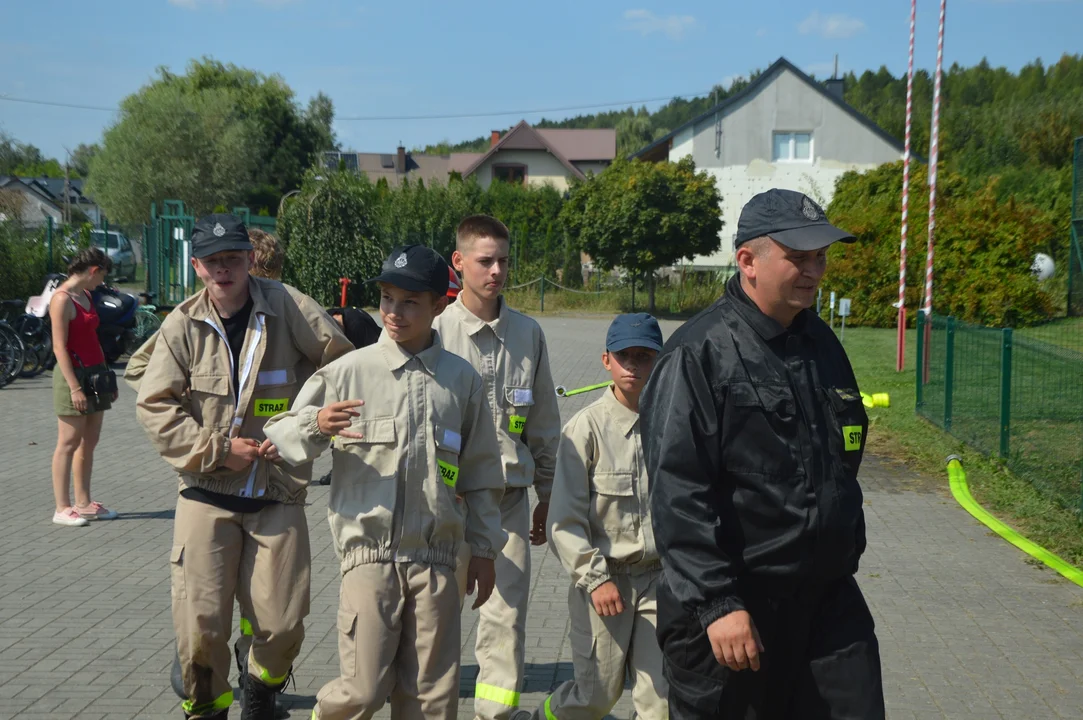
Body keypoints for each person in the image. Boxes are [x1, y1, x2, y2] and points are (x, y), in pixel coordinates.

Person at [640, 189, 885, 719]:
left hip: (826, 604)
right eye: (798, 257)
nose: (814, 270)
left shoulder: (822, 344)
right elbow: (677, 492)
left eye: (820, 256)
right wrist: (718, 604)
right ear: (748, 261)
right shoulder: (697, 353)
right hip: (734, 609)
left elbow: (842, 456)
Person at [264, 244, 506, 720]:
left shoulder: (461, 381)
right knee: (363, 688)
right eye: (388, 298)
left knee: (431, 699)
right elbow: (280, 436)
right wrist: (316, 424)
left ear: (439, 305)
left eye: (410, 301)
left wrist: (482, 549)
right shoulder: (348, 372)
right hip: (368, 560)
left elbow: (481, 473)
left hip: (437, 561)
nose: (394, 312)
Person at [135, 214, 353, 720]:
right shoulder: (181, 325)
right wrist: (216, 451)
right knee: (200, 627)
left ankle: (261, 693)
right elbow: (155, 405)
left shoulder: (287, 305)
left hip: (276, 492)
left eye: (233, 258)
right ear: (197, 267)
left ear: (250, 259)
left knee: (282, 624)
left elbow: (342, 369)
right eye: (213, 262)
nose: (224, 270)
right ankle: (206, 708)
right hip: (205, 493)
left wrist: (302, 429)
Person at [432, 215, 561, 720]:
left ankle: (495, 715)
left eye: (504, 260)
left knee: (505, 621)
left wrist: (548, 494)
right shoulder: (435, 331)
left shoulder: (528, 334)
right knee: (436, 619)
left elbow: (545, 423)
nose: (497, 271)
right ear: (459, 263)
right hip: (447, 504)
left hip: (508, 501)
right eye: (485, 261)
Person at [514, 313, 667, 720]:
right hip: (605, 583)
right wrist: (595, 578)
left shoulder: (675, 426)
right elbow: (563, 521)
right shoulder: (585, 430)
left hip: (659, 583)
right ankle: (544, 716)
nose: (633, 365)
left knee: (661, 704)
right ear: (606, 361)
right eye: (624, 356)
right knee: (596, 696)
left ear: (661, 361)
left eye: (644, 356)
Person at [49, 247, 119, 526]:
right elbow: (58, 347)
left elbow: (92, 339)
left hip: (95, 374)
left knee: (89, 442)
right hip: (72, 376)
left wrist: (107, 378)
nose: (101, 283)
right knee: (68, 443)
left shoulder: (87, 295)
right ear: (93, 271)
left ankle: (84, 503)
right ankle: (62, 508)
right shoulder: (62, 300)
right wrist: (74, 387)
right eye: (101, 276)